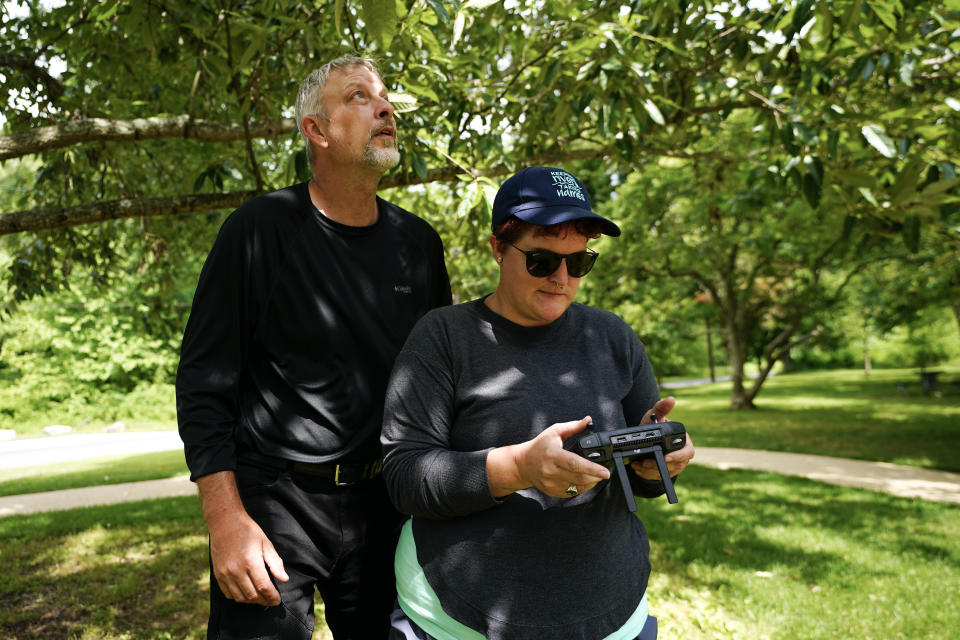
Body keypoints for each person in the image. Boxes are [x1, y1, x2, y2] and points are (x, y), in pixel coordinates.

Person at [176, 55, 451, 640]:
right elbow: (204, 383)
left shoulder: (419, 246)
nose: (385, 107)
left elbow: (442, 383)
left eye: (385, 96)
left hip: (386, 503)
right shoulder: (258, 230)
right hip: (276, 505)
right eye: (358, 96)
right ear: (316, 131)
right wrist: (226, 521)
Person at [380, 166, 695, 640]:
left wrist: (658, 463)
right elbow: (405, 476)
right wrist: (519, 469)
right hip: (458, 621)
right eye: (542, 261)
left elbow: (641, 482)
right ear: (498, 249)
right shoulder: (443, 337)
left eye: (579, 263)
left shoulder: (611, 336)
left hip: (611, 617)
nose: (562, 278)